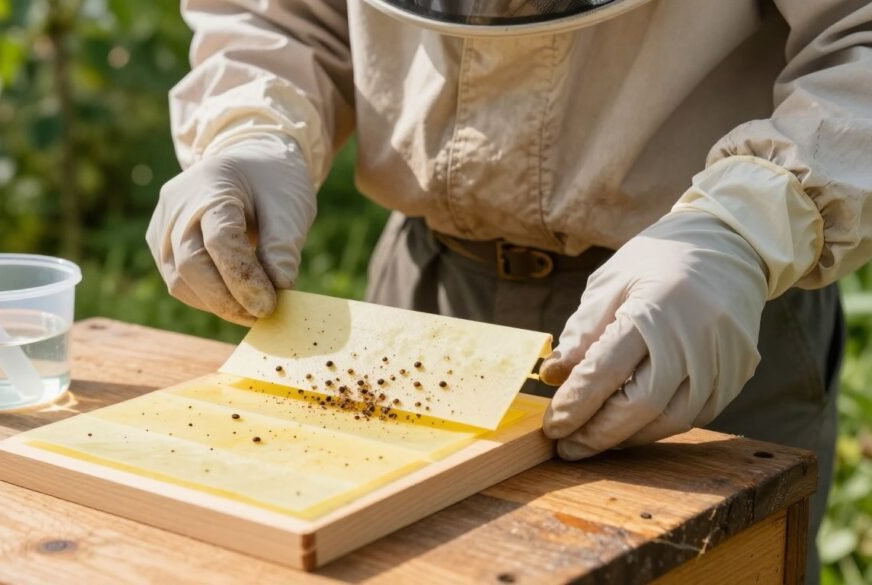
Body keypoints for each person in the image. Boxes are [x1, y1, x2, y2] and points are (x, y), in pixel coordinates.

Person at [147, 1, 872, 580]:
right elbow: (277, 14)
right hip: (425, 297)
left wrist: (745, 226)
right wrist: (251, 131)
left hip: (700, 315)